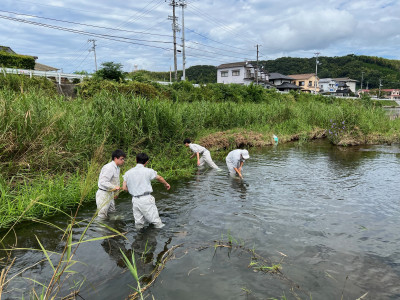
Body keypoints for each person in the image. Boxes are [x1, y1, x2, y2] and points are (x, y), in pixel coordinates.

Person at [123, 153, 170, 229]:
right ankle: (165, 234)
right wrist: (166, 184)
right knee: (156, 222)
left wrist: (134, 191)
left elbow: (124, 188)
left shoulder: (128, 173)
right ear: (146, 162)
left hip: (135, 200)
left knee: (139, 223)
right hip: (146, 199)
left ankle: (139, 238)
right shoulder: (148, 171)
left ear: (136, 160)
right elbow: (159, 178)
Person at [96, 149, 126, 219]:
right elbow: (102, 182)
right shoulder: (109, 167)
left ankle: (111, 227)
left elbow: (116, 181)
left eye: (123, 159)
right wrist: (114, 187)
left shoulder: (117, 168)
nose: (123, 161)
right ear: (115, 158)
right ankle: (100, 229)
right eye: (122, 159)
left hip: (110, 193)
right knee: (102, 215)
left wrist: (116, 193)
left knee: (112, 212)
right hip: (103, 194)